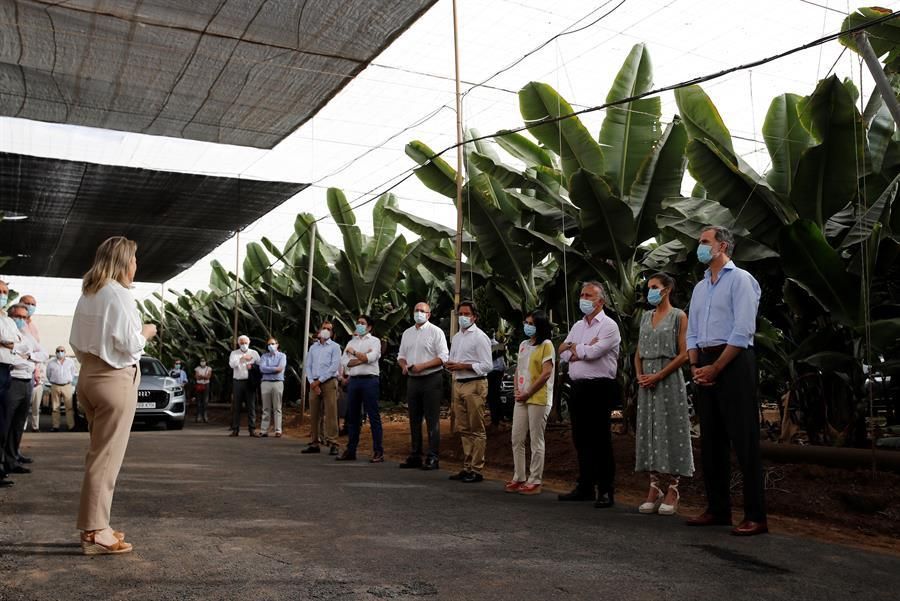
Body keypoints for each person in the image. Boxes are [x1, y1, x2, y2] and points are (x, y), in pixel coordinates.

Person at [70, 236, 157, 554]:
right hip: (114, 378)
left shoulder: (89, 292)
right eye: (134, 259)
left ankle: (98, 525)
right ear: (123, 262)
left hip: (89, 376)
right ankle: (95, 531)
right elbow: (129, 344)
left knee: (98, 455)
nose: (137, 265)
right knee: (106, 459)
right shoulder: (118, 294)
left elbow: (75, 341)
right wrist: (146, 332)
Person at [685, 226, 767, 536]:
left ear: (722, 246)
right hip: (704, 363)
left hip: (733, 363)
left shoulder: (741, 280)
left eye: (705, 242)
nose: (700, 248)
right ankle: (717, 510)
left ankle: (756, 516)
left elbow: (743, 330)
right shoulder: (700, 287)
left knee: (744, 441)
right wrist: (696, 365)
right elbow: (692, 331)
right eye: (699, 243)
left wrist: (716, 368)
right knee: (711, 441)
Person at [634, 273, 694, 515]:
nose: (651, 291)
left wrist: (658, 375)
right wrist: (639, 375)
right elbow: (638, 352)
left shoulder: (679, 316)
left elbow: (684, 353)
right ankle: (654, 486)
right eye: (649, 287)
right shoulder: (645, 316)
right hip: (646, 380)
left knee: (672, 428)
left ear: (667, 289)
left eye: (655, 287)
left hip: (668, 379)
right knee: (650, 429)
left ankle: (674, 487)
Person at [557, 281, 622, 508]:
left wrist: (577, 349)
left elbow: (595, 352)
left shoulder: (609, 326)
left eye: (589, 295)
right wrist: (578, 349)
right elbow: (561, 351)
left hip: (599, 387)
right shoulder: (578, 326)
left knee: (600, 439)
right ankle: (585, 485)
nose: (583, 299)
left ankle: (605, 489)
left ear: (600, 301)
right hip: (578, 387)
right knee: (580, 438)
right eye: (582, 294)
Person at [506, 310, 555, 495]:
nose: (527, 326)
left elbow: (546, 373)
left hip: (538, 397)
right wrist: (517, 390)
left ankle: (535, 480)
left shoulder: (547, 345)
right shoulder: (523, 345)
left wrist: (528, 392)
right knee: (517, 438)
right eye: (526, 322)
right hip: (522, 397)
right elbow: (519, 368)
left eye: (531, 323)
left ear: (540, 326)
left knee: (536, 439)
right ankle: (519, 476)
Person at [397, 302, 449, 470]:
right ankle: (415, 454)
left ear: (428, 314)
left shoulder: (436, 332)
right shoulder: (407, 333)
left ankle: (433, 456)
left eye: (422, 311)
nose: (418, 313)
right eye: (416, 310)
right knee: (414, 418)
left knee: (432, 419)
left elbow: (443, 357)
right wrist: (404, 365)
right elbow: (401, 355)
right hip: (412, 379)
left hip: (431, 378)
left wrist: (423, 366)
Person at [445, 301, 492, 483]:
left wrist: (464, 366)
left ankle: (477, 468)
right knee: (463, 428)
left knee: (476, 427)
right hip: (458, 382)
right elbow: (453, 358)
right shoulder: (457, 337)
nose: (463, 317)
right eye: (460, 314)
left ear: (474, 316)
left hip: (474, 384)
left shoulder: (480, 337)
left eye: (466, 314)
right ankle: (467, 466)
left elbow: (487, 366)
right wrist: (451, 365)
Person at [2, 303, 46, 479]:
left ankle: (12, 461)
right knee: (5, 424)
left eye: (24, 318)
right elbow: (11, 357)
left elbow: (42, 353)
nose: (21, 321)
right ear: (11, 317)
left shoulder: (27, 336)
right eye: (18, 317)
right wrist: (24, 358)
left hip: (27, 382)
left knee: (18, 425)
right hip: (12, 380)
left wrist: (29, 357)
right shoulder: (7, 331)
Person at [337, 315, 383, 463]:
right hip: (354, 381)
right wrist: (362, 357)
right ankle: (351, 450)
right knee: (353, 417)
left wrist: (355, 353)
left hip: (370, 381)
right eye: (358, 323)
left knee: (373, 416)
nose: (359, 325)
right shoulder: (351, 342)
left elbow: (371, 358)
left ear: (369, 327)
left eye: (362, 323)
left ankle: (378, 451)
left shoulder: (375, 341)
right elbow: (345, 363)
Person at [303, 321, 341, 455]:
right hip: (314, 383)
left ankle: (333, 443)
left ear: (332, 332)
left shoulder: (335, 347)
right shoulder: (313, 348)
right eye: (323, 328)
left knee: (331, 413)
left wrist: (318, 382)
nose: (325, 330)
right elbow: (308, 365)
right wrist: (312, 382)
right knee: (314, 413)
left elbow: (334, 367)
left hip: (328, 382)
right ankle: (314, 442)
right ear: (319, 330)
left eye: (328, 329)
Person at [0, 281, 19, 487]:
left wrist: (6, 341)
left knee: (3, 423)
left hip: (6, 372)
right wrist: (7, 341)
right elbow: (9, 340)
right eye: (0, 292)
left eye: (5, 292)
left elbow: (15, 341)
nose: (3, 295)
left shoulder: (6, 319)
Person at [228, 335, 260, 437]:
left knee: (251, 406)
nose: (244, 345)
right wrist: (242, 358)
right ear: (238, 343)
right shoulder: (234, 353)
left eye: (245, 342)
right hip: (238, 382)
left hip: (250, 382)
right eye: (241, 343)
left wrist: (252, 366)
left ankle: (252, 429)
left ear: (249, 342)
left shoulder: (254, 353)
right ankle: (235, 429)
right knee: (236, 406)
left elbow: (260, 365)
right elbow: (232, 365)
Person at [20, 295, 43, 433]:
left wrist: (37, 371)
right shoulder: (15, 324)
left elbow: (39, 351)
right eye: (27, 303)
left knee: (31, 408)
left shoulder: (33, 327)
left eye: (33, 304)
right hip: (17, 372)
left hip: (33, 374)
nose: (30, 306)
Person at [259, 337, 287, 437]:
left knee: (277, 408)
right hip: (265, 383)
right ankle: (264, 430)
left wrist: (269, 369)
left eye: (273, 344)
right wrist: (275, 369)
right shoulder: (264, 356)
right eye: (269, 344)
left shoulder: (282, 356)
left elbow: (280, 368)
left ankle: (278, 430)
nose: (271, 346)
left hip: (278, 383)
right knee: (265, 408)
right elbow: (262, 368)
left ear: (277, 344)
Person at [46, 346, 78, 432]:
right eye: (58, 351)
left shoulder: (70, 362)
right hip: (55, 386)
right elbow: (48, 375)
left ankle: (71, 426)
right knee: (55, 407)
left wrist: (67, 381)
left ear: (65, 352)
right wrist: (54, 381)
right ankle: (55, 426)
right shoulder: (51, 363)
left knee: (69, 407)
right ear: (56, 352)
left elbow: (73, 373)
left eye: (62, 350)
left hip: (67, 386)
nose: (60, 352)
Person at [487, 333, 507, 429]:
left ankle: (497, 420)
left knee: (493, 396)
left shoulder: (493, 344)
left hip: (494, 372)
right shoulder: (498, 345)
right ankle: (498, 419)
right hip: (496, 372)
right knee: (495, 395)